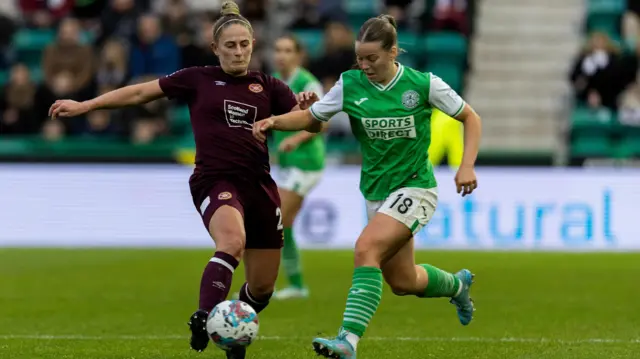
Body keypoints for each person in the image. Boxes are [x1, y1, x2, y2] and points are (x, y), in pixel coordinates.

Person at [48, 2, 317, 359]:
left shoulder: (269, 87)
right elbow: (140, 92)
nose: (238, 51)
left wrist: (309, 109)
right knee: (232, 242)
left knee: (263, 288)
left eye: (244, 45)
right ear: (215, 49)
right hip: (215, 180)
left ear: (254, 45)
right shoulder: (197, 79)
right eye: (230, 45)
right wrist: (87, 105)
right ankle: (206, 316)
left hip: (260, 187)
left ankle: (231, 329)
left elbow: (311, 123)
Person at [253, 14, 482, 359]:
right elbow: (313, 120)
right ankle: (457, 285)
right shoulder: (350, 84)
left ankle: (348, 341)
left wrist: (466, 166)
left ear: (393, 52)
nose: (365, 65)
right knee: (403, 281)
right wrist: (275, 121)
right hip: (376, 191)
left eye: (372, 58)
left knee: (366, 249)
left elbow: (470, 117)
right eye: (360, 58)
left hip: (415, 186)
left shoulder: (423, 84)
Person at [271, 34, 326, 300]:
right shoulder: (272, 81)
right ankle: (296, 285)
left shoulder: (308, 82)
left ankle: (263, 285)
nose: (281, 55)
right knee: (285, 223)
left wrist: (295, 138)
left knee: (274, 218)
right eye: (278, 50)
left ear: (298, 55)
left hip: (306, 163)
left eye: (287, 50)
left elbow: (323, 122)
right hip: (286, 163)